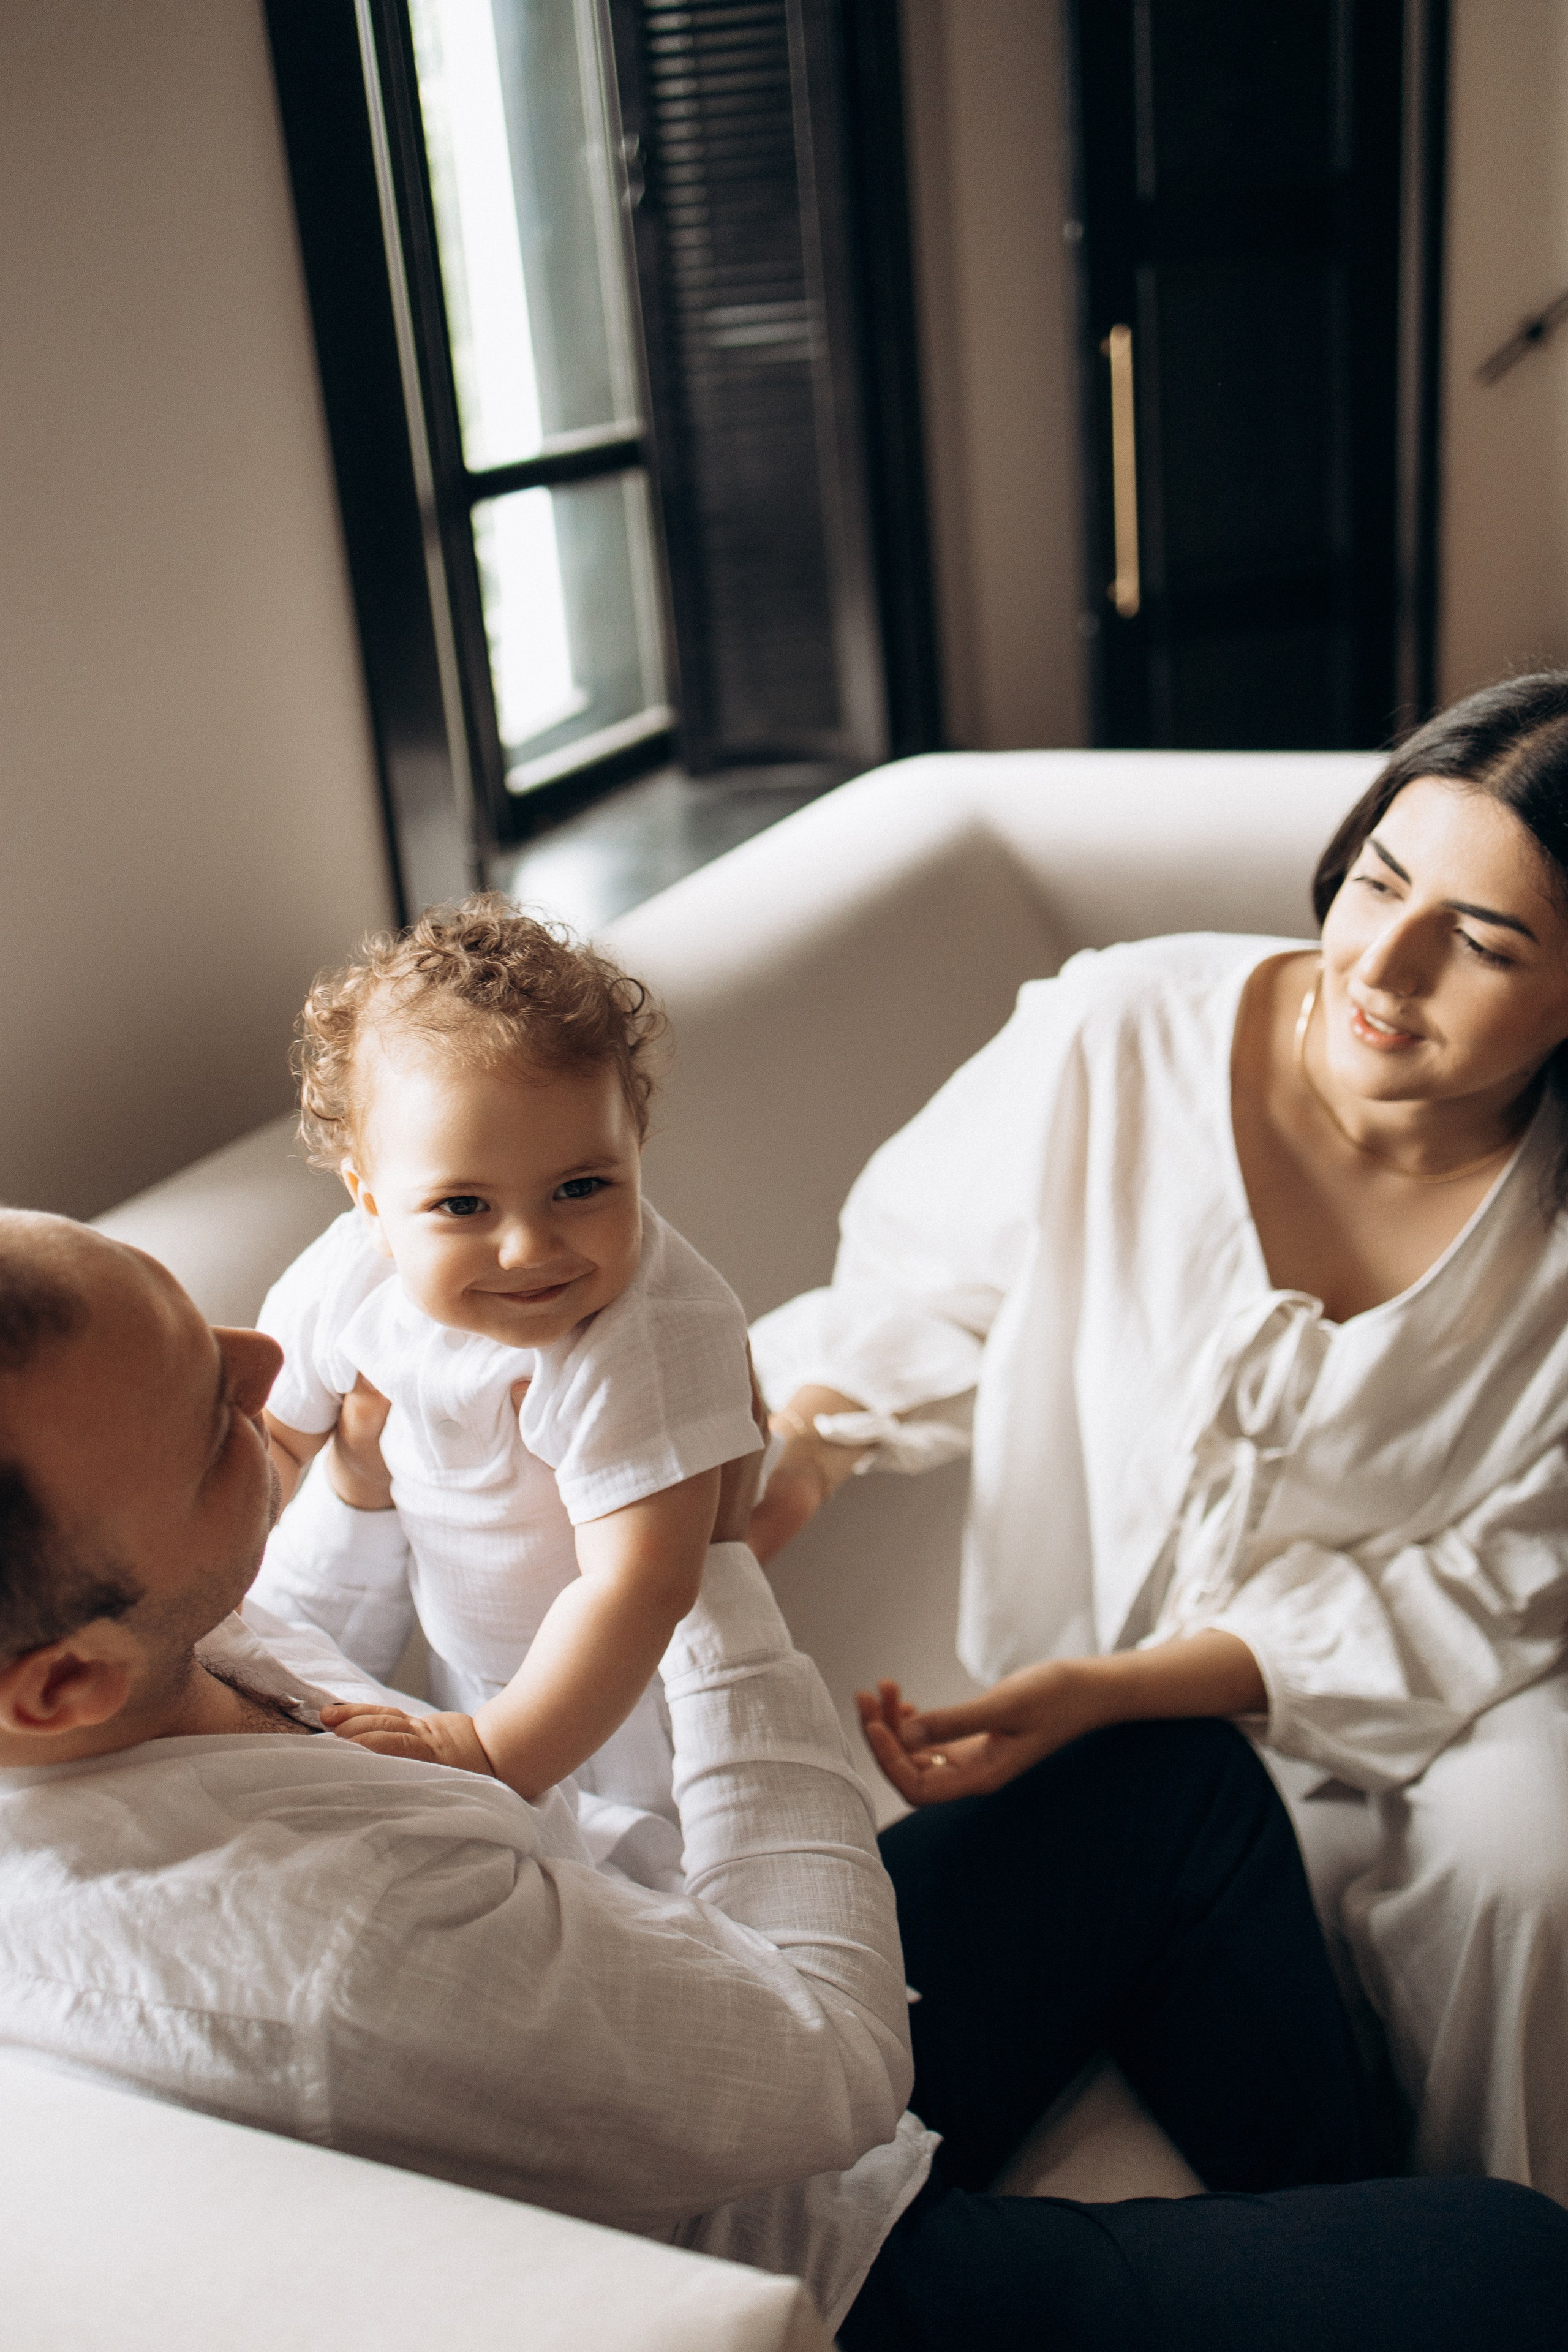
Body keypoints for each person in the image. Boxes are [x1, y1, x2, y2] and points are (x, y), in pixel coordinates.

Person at [1, 1209, 1566, 2351]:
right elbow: (828, 2074)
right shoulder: (314, 1946)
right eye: (220, 1420)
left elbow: (282, 1648)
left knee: (1160, 1778)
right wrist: (694, 1564)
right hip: (800, 2251)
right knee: (1513, 2263)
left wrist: (342, 1485)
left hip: (647, 2003)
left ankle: (1320, 2217)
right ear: (64, 1683)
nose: (265, 1353)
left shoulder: (106, 1656)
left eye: (197, 1315)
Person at [750, 672, 1568, 2199]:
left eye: (1479, 940)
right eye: (1379, 881)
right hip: (1095, 1681)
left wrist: (1133, 1690)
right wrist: (804, 1445)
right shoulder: (1121, 1030)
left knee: (1537, 1871)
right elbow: (920, 1296)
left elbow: (1505, 1576)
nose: (1381, 964)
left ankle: (1498, 2251)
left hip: (1456, 1672)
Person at [252, 896, 759, 1845]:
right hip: (472, 1661)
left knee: (640, 1874)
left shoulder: (645, 1328)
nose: (529, 1249)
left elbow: (638, 1588)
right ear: (370, 1199)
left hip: (626, 1693)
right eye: (462, 1205)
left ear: (635, 1152)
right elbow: (273, 1439)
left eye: (580, 1187)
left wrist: (493, 1751)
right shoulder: (350, 1276)